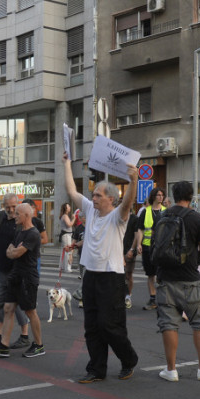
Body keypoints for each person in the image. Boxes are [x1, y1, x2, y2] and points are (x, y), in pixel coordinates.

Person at [63, 153, 139, 383]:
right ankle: (97, 369)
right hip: (91, 276)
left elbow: (128, 203)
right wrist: (67, 163)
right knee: (92, 326)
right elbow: (71, 191)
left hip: (111, 277)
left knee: (110, 324)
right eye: (93, 194)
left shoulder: (118, 216)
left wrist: (134, 180)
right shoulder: (89, 210)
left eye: (98, 195)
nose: (93, 197)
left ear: (111, 199)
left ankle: (128, 359)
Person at [154, 181, 200, 383]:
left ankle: (170, 370)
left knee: (168, 323)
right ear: (191, 196)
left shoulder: (162, 216)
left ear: (174, 195)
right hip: (190, 278)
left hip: (165, 277)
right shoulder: (196, 218)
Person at [0, 202, 45, 358]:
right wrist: (13, 251)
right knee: (8, 308)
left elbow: (15, 253)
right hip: (15, 275)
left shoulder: (33, 233)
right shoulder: (19, 232)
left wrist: (14, 251)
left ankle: (39, 345)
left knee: (30, 311)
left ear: (26, 215)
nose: (14, 216)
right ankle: (4, 345)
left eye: (18, 213)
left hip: (27, 278)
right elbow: (8, 251)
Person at [0, 194, 33, 350]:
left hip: (16, 269)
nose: (11, 210)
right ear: (3, 206)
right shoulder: (1, 218)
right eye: (7, 207)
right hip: (2, 267)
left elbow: (35, 240)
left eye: (13, 206)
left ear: (18, 204)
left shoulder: (22, 222)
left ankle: (24, 335)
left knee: (18, 304)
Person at [135, 187, 167, 310]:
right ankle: (153, 299)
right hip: (147, 247)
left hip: (162, 248)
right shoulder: (145, 211)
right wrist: (138, 244)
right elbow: (140, 229)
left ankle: (164, 299)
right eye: (158, 195)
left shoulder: (166, 211)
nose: (161, 197)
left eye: (162, 195)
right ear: (153, 197)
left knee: (162, 275)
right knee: (150, 274)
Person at [58, 203, 74, 272]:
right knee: (68, 251)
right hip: (66, 235)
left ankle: (62, 266)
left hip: (65, 235)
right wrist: (74, 219)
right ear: (66, 208)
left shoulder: (64, 216)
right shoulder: (65, 216)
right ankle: (67, 267)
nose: (70, 207)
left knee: (64, 251)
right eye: (68, 206)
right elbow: (69, 225)